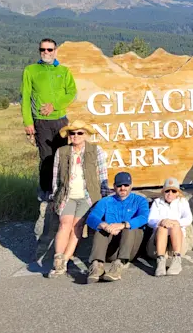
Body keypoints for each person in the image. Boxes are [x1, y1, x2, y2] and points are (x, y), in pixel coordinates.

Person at [21, 38, 77, 252]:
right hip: (41, 122)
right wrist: (28, 123)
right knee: (46, 158)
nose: (46, 52)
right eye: (42, 49)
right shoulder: (31, 70)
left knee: (64, 155)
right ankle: (47, 193)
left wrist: (55, 105)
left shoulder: (63, 71)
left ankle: (64, 187)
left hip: (60, 119)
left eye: (49, 49)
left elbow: (71, 92)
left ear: (55, 50)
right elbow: (25, 96)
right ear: (39, 51)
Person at [47, 120, 110, 278]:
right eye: (72, 133)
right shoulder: (61, 152)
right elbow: (56, 177)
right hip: (67, 195)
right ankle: (58, 258)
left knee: (77, 226)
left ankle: (64, 261)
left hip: (87, 196)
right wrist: (55, 196)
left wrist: (104, 196)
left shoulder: (96, 150)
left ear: (86, 135)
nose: (75, 136)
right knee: (64, 224)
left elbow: (103, 174)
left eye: (79, 133)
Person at [85, 172, 149, 283]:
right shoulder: (106, 201)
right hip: (111, 249)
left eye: (126, 185)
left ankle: (119, 265)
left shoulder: (140, 200)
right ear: (114, 186)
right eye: (119, 185)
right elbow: (91, 218)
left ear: (131, 185)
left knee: (129, 227)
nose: (122, 188)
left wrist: (123, 225)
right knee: (100, 228)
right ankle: (97, 265)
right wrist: (103, 225)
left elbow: (144, 217)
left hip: (131, 249)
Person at [147, 178, 192, 277]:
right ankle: (160, 261)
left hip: (177, 242)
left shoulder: (183, 202)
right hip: (157, 244)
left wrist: (176, 222)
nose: (170, 194)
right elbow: (150, 220)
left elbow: (188, 219)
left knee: (175, 226)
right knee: (162, 227)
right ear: (163, 192)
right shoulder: (157, 202)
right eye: (167, 191)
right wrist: (161, 221)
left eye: (173, 191)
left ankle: (177, 260)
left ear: (177, 193)